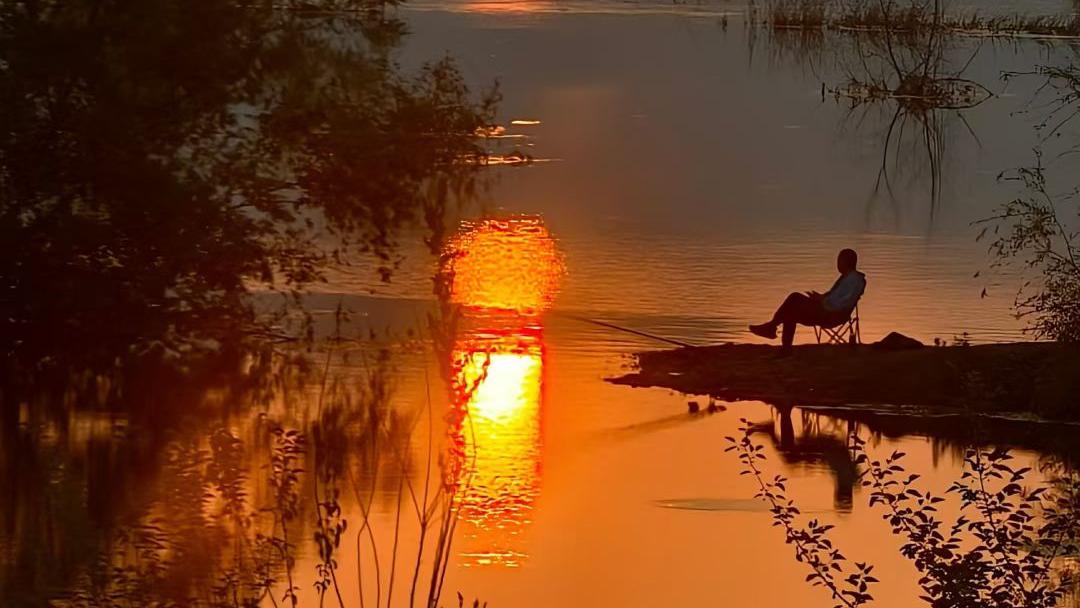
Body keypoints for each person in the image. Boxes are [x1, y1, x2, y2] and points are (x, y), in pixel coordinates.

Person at [749, 249, 866, 347]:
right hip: (827, 310)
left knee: (794, 299)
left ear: (846, 262)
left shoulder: (853, 280)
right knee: (791, 310)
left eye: (839, 260)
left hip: (831, 315)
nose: (837, 264)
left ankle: (773, 329)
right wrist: (821, 297)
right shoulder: (848, 277)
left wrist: (822, 300)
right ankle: (778, 337)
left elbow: (841, 302)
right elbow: (837, 297)